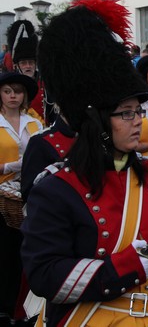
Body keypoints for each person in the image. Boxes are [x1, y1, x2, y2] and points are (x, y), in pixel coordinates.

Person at [21, 0, 148, 327]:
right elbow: (44, 274)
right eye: (126, 113)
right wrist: (122, 267)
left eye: (138, 111)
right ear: (98, 120)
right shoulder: (56, 189)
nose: (137, 121)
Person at [0, 72, 42, 327]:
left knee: (25, 251)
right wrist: (10, 166)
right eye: (7, 91)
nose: (13, 96)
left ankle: (23, 305)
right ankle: (4, 305)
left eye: (17, 91)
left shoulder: (34, 123)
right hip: (1, 196)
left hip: (28, 194)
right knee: (4, 251)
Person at [6, 20, 49, 125]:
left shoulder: (46, 84)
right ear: (17, 65)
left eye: (31, 62)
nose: (28, 66)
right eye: (23, 63)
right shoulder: (8, 86)